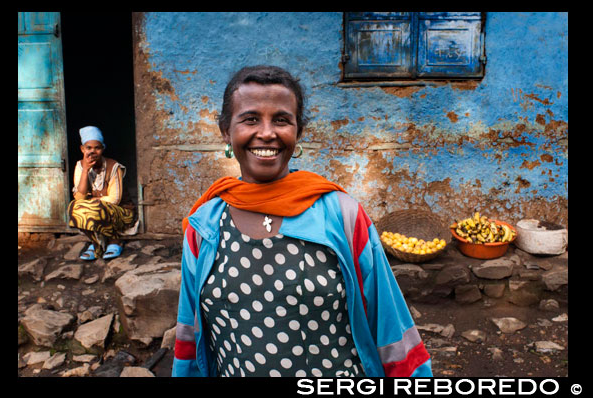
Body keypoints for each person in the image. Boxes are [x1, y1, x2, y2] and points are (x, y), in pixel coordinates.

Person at [172, 65, 432, 377]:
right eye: (250, 119)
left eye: (281, 120)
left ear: (298, 132)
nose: (267, 132)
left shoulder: (342, 216)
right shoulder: (204, 227)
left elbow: (391, 328)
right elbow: (190, 338)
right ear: (226, 131)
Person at [67, 126, 136, 260]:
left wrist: (91, 203)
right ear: (82, 149)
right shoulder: (80, 166)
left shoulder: (113, 166)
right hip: (95, 209)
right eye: (88, 148)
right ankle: (96, 243)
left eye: (97, 148)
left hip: (120, 212)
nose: (93, 152)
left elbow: (115, 199)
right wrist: (86, 170)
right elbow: (79, 197)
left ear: (102, 149)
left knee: (92, 209)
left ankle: (114, 240)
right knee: (73, 208)